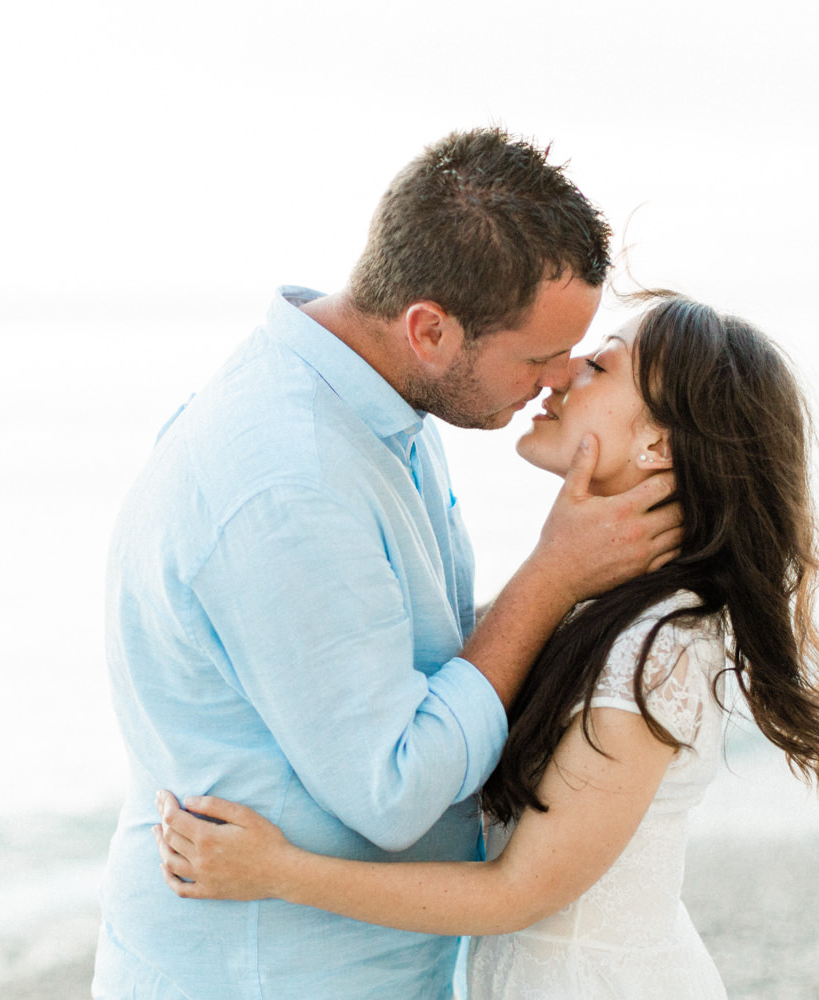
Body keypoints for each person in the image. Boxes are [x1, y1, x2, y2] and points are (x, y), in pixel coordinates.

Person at [154, 295, 819, 999]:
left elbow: (517, 892)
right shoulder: (593, 601)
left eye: (599, 366)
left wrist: (278, 872)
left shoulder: (658, 648)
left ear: (658, 448)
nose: (562, 376)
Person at [93, 129, 683, 1000]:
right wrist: (551, 576)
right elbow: (395, 788)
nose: (558, 378)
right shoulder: (290, 480)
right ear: (431, 329)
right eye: (536, 356)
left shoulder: (379, 408)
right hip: (269, 975)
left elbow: (418, 659)